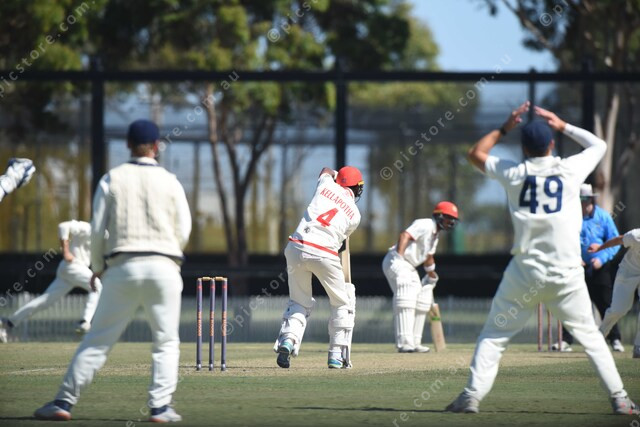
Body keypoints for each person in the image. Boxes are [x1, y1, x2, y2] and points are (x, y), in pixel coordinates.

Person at [445, 101, 638, 415]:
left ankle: (471, 396)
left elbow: (475, 154)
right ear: (551, 145)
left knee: (494, 336)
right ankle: (620, 399)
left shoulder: (514, 172)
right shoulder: (569, 170)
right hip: (566, 272)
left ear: (523, 148)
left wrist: (504, 128)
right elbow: (599, 145)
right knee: (591, 338)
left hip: (524, 272)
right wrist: (563, 126)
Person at [34, 119, 191, 422]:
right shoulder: (171, 181)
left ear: (128, 145)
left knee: (98, 339)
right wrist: (170, 255)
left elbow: (97, 230)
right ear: (156, 147)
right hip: (165, 267)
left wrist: (98, 267)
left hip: (122, 267)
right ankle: (160, 408)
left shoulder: (112, 178)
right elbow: (184, 228)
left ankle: (63, 403)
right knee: (166, 341)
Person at [274, 166, 363, 369]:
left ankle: (288, 340)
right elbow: (342, 241)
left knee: (299, 301)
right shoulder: (355, 215)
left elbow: (324, 169)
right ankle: (336, 355)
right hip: (324, 252)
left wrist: (335, 175)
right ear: (357, 188)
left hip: (296, 246)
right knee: (341, 302)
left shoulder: (325, 184)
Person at [0, 221, 103, 343]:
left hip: (71, 270)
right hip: (73, 266)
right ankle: (84, 322)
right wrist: (65, 251)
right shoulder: (87, 227)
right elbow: (63, 226)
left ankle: (8, 323)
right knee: (97, 286)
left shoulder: (105, 233)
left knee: (45, 301)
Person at [382, 202, 459, 353]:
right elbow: (405, 235)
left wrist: (431, 276)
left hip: (409, 266)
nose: (451, 222)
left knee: (422, 297)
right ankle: (404, 343)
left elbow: (428, 258)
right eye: (449, 218)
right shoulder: (425, 224)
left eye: (453, 219)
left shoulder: (435, 236)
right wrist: (399, 257)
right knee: (407, 293)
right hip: (396, 259)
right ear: (440, 216)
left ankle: (414, 342)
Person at [554, 183, 623, 352]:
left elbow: (615, 242)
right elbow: (563, 241)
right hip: (576, 267)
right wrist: (575, 257)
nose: (582, 203)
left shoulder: (603, 217)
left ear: (591, 200)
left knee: (605, 303)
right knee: (571, 303)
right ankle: (565, 340)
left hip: (600, 268)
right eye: (580, 200)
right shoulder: (571, 218)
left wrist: (601, 258)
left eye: (585, 199)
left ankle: (615, 339)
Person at [589, 228, 640, 359]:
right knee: (619, 309)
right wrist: (599, 247)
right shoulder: (636, 235)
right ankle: (600, 335)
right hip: (628, 273)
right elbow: (618, 240)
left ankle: (638, 347)